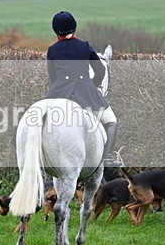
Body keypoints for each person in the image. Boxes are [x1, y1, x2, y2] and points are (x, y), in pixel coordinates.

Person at [44, 10, 122, 168]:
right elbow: (100, 70)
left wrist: (60, 88)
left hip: (58, 92)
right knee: (111, 121)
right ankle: (107, 159)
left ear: (56, 31)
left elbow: (52, 76)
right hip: (85, 92)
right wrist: (92, 84)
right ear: (74, 28)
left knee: (37, 118)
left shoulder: (52, 50)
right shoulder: (84, 46)